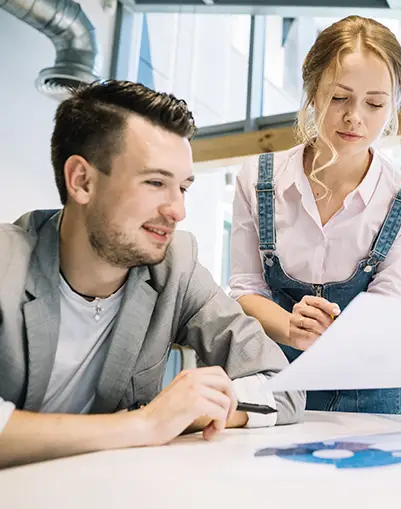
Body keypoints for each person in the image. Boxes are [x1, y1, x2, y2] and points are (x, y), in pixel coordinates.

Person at [0, 80, 304, 469]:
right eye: (156, 183)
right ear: (82, 180)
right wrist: (144, 424)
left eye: (183, 188)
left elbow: (282, 385)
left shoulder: (175, 267)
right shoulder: (8, 262)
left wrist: (191, 411)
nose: (177, 210)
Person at [229, 16, 401, 414]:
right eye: (339, 98)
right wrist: (290, 327)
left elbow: (387, 309)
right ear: (313, 93)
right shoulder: (259, 180)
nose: (355, 117)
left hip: (369, 394)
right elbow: (245, 290)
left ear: (393, 104)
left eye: (375, 103)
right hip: (272, 386)